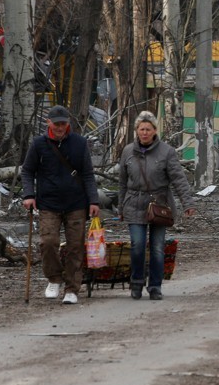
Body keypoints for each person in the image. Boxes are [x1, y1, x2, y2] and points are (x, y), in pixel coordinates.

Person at [21, 105, 101, 305]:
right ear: (48, 123)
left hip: (76, 203)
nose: (59, 127)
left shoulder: (80, 143)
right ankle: (54, 278)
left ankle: (72, 289)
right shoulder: (39, 144)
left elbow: (88, 174)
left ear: (68, 124)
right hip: (48, 203)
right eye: (56, 124)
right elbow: (27, 171)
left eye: (63, 124)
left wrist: (93, 200)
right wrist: (29, 195)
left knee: (75, 246)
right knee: (48, 242)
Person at [118, 111, 197, 300]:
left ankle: (155, 286)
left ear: (155, 131)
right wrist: (121, 207)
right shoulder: (128, 151)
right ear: (136, 130)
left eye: (149, 129)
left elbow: (178, 179)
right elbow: (122, 182)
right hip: (134, 204)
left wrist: (188, 202)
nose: (145, 133)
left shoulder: (166, 152)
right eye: (141, 129)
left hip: (159, 205)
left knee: (157, 247)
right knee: (137, 245)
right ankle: (136, 282)